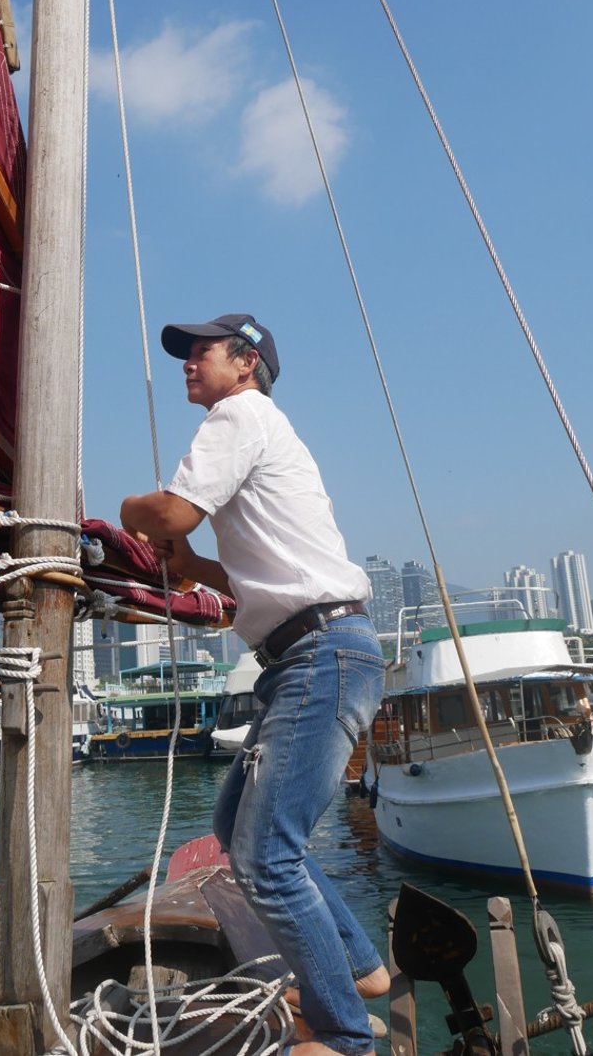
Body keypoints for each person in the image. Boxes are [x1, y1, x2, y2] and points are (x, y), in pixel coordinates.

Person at [121, 313, 388, 1056]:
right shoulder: (265, 430)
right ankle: (360, 969)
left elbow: (170, 512)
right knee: (242, 831)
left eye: (200, 351)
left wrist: (133, 513)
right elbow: (251, 574)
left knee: (267, 854)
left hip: (320, 655)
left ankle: (343, 1037)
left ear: (245, 364)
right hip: (316, 653)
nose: (186, 362)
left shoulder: (239, 415)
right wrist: (195, 567)